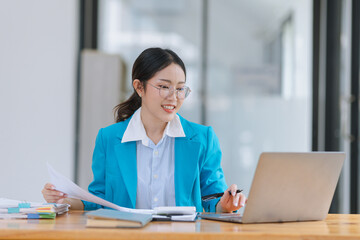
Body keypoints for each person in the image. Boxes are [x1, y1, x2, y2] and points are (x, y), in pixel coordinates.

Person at [42, 47, 246, 213]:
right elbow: (100, 201)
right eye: (164, 87)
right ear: (139, 87)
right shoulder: (109, 138)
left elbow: (212, 199)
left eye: (180, 88)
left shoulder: (203, 139)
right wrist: (65, 200)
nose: (173, 97)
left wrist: (226, 205)